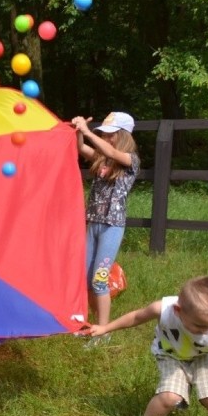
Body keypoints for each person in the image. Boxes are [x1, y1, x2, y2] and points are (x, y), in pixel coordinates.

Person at [81, 276, 208, 416]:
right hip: (171, 355)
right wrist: (105, 328)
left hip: (204, 357)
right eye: (200, 326)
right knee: (169, 397)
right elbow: (135, 317)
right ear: (178, 311)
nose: (206, 331)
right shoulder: (164, 309)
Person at [71, 112, 139, 339]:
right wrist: (80, 133)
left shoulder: (130, 160)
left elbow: (110, 151)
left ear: (123, 136)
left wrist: (89, 132)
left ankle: (104, 331)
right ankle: (91, 325)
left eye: (112, 135)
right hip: (94, 224)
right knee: (86, 278)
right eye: (105, 135)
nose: (107, 139)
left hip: (112, 226)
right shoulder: (103, 159)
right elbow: (82, 150)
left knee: (99, 280)